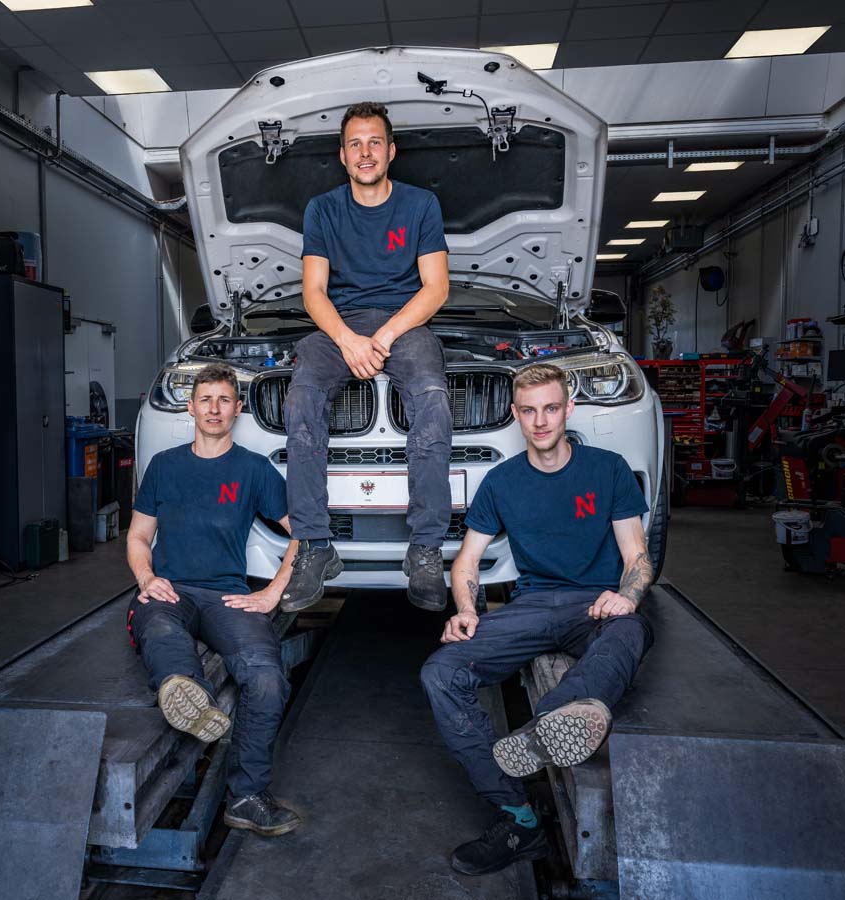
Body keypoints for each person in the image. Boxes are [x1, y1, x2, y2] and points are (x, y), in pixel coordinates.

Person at [420, 362, 655, 876]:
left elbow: (637, 556)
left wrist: (627, 597)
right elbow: (465, 562)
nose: (541, 421)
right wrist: (465, 610)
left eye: (551, 408)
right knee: (440, 671)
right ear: (515, 415)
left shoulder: (608, 469)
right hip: (530, 606)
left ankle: (547, 725)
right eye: (529, 411)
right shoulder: (501, 482)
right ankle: (517, 816)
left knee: (631, 629)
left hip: (594, 604)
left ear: (569, 409)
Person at [280, 100, 452, 614]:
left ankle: (425, 550)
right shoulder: (323, 209)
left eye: (375, 142)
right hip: (339, 325)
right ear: (343, 155)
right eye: (355, 144)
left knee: (432, 397)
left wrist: (385, 335)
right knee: (301, 398)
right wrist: (349, 341)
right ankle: (315, 546)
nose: (365, 152)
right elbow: (314, 292)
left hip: (406, 323)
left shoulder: (421, 205)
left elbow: (436, 287)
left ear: (391, 150)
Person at [126, 362, 301, 836]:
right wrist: (146, 579)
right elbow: (138, 537)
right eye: (206, 399)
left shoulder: (253, 469)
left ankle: (246, 797)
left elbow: (305, 533)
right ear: (191, 407)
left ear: (237, 409)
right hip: (170, 589)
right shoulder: (165, 466)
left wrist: (273, 592)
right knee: (160, 629)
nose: (214, 409)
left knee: (266, 679)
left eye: (224, 400)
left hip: (228, 597)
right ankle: (190, 697)